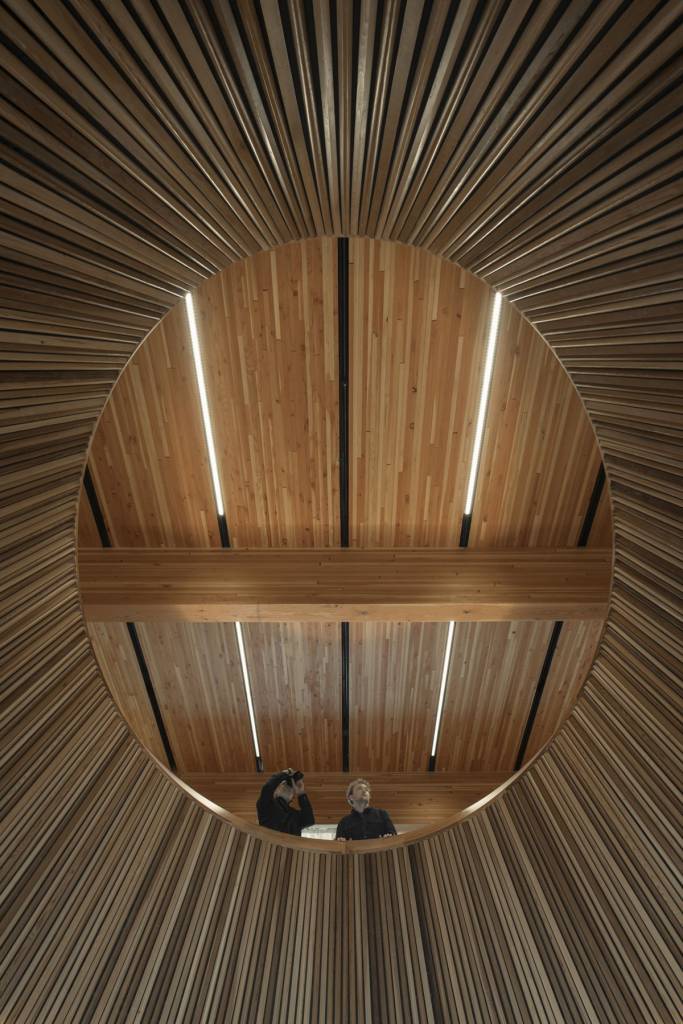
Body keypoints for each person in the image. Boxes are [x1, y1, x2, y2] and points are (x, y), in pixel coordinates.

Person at [256, 768, 314, 836]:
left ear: (292, 797)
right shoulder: (266, 805)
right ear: (276, 792)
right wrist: (285, 773)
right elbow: (267, 788)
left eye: (291, 788)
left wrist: (301, 794)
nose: (286, 787)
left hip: (289, 845)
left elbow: (309, 820)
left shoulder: (295, 815)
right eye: (283, 785)